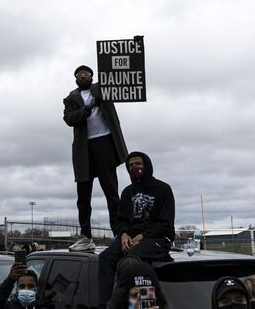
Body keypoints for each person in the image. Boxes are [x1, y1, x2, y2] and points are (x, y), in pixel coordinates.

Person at [97, 151, 175, 309]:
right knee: (106, 257)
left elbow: (166, 224)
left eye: (138, 164)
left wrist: (143, 236)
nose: (134, 167)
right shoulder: (127, 192)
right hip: (130, 237)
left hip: (158, 239)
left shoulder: (163, 189)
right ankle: (105, 304)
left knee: (131, 261)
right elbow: (121, 219)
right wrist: (124, 234)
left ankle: (134, 305)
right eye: (131, 165)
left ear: (146, 165)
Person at [63, 64, 128, 250]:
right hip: (84, 148)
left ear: (92, 76)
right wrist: (89, 107)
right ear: (75, 78)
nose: (84, 77)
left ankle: (118, 233)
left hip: (105, 143)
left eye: (87, 74)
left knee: (112, 193)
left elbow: (121, 81)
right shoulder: (70, 98)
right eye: (80, 75)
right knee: (83, 196)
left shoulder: (103, 89)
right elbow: (70, 119)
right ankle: (86, 236)